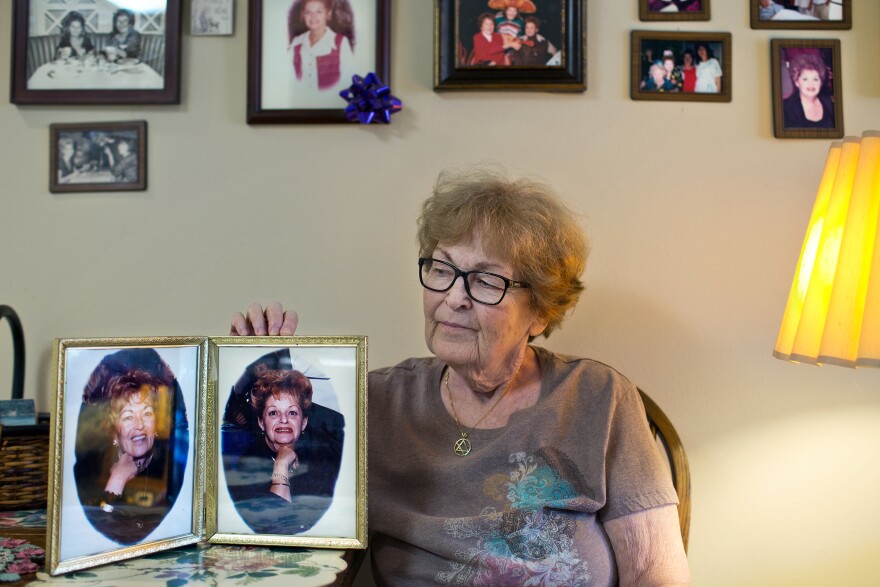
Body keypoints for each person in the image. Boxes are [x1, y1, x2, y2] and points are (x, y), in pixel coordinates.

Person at [230, 167, 691, 585]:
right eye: (442, 269)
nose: (454, 297)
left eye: (487, 281)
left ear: (540, 313)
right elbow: (305, 561)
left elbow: (656, 573)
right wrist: (254, 370)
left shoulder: (597, 399)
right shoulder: (372, 403)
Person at [74, 348, 188, 545]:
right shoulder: (90, 467)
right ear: (114, 427)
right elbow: (95, 528)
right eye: (128, 416)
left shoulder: (173, 471)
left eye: (147, 413)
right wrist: (118, 478)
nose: (139, 424)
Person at [222, 353, 343, 534]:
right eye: (273, 413)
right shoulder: (246, 464)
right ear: (262, 423)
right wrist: (281, 465)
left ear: (304, 423)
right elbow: (275, 526)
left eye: (292, 413)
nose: (283, 420)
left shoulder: (323, 457)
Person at [288, 0, 355, 92]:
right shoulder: (296, 43)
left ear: (328, 14)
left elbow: (349, 81)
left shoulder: (341, 43)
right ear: (303, 15)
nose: (313, 16)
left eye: (319, 11)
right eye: (308, 12)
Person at [782, 52, 835, 129]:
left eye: (815, 79)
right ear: (797, 82)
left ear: (821, 83)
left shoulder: (830, 104)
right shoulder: (785, 108)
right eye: (805, 79)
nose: (811, 84)